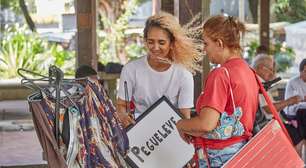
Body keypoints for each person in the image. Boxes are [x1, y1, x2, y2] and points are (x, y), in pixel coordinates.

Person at [176, 15, 259, 167]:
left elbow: (207, 124)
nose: (205, 50)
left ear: (219, 43)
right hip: (241, 152)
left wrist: (180, 124)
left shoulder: (220, 74)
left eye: (206, 44)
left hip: (219, 156)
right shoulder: (248, 71)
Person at [116, 12, 201, 128]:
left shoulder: (184, 75)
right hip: (138, 131)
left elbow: (184, 117)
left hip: (170, 132)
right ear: (145, 41)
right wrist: (123, 116)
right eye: (151, 42)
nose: (155, 48)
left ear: (172, 43)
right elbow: (121, 105)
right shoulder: (130, 69)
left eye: (161, 42)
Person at [251, 54, 301, 120]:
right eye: (271, 69)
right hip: (265, 124)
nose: (272, 73)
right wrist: (289, 101)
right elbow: (268, 109)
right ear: (260, 68)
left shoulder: (260, 82)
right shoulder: (258, 83)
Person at [283, 58, 306, 157]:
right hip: (293, 117)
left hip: (303, 118)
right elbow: (289, 106)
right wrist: (302, 102)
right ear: (300, 71)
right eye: (305, 71)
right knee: (302, 111)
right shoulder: (292, 83)